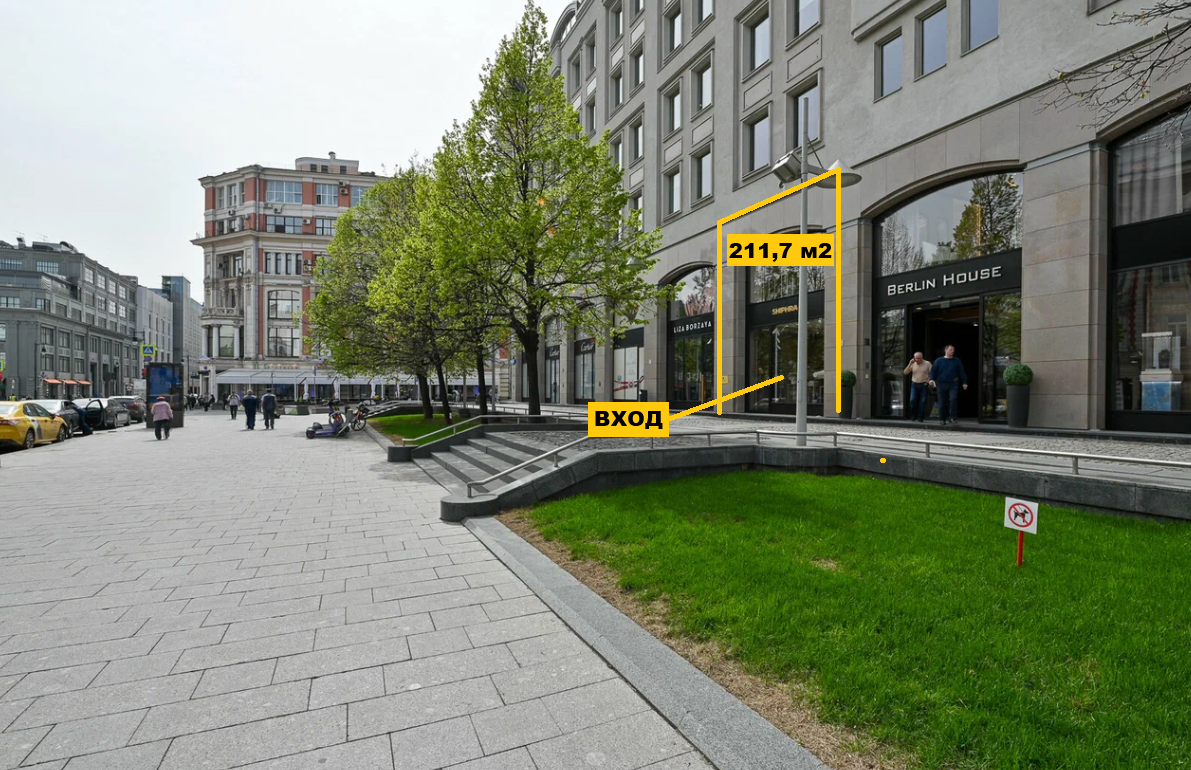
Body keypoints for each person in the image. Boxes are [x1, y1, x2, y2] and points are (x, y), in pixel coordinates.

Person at [929, 344, 968, 426]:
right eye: (951, 349)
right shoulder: (939, 360)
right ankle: (942, 419)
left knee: (953, 399)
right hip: (941, 383)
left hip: (953, 383)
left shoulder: (956, 360)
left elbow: (961, 371)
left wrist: (964, 382)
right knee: (942, 402)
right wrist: (932, 379)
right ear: (946, 350)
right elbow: (933, 371)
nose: (953, 351)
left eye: (953, 350)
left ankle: (952, 417)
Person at [903, 351, 932, 423]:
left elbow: (932, 373)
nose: (917, 360)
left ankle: (920, 417)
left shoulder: (927, 363)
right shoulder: (913, 363)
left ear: (922, 358)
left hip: (924, 384)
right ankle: (914, 415)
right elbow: (905, 372)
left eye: (919, 358)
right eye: (916, 358)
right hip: (914, 384)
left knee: (922, 401)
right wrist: (910, 363)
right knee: (912, 400)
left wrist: (928, 380)